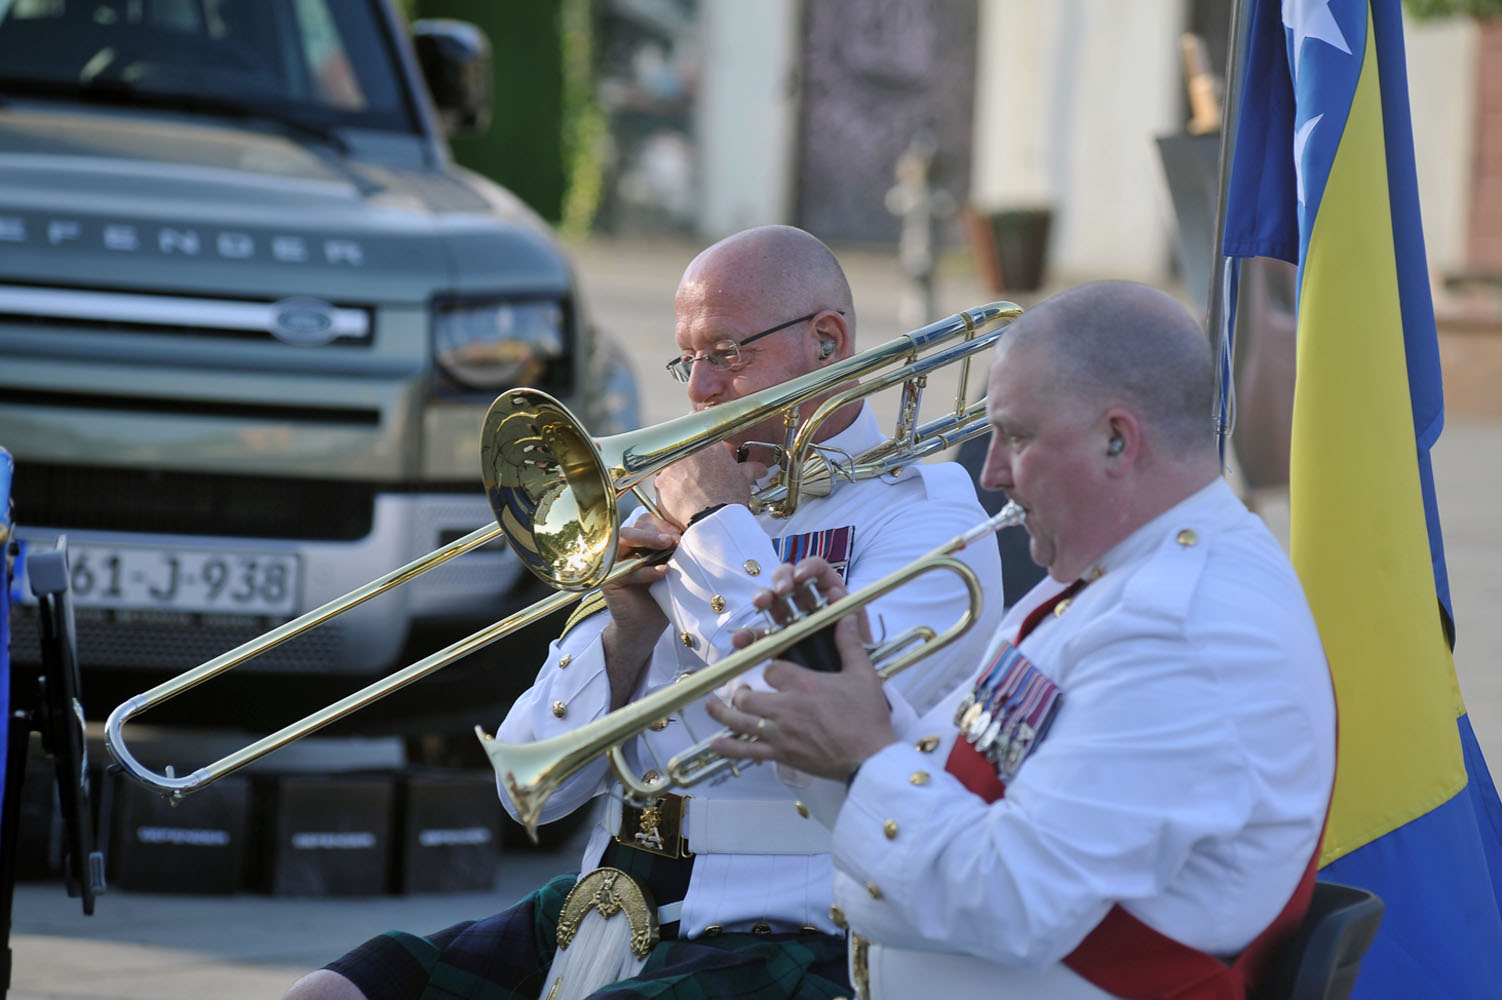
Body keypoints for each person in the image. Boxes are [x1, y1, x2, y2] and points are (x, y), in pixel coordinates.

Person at [285, 225, 1006, 1000]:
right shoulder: (675, 512)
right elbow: (533, 787)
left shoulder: (929, 519)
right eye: (688, 358)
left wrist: (713, 531)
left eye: (726, 353)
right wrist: (625, 636)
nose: (699, 389)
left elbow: (806, 711)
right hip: (601, 904)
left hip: (782, 927)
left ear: (827, 342)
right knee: (330, 995)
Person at [705, 280, 1337, 999]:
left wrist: (863, 753)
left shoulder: (1184, 628)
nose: (991, 472)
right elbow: (968, 781)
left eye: (1018, 436)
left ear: (1117, 440)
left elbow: (1015, 902)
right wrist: (837, 695)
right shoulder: (1109, 576)